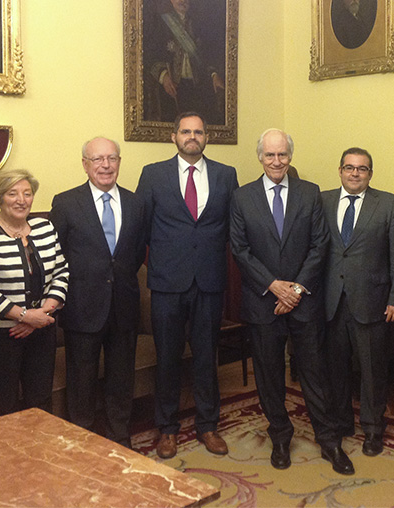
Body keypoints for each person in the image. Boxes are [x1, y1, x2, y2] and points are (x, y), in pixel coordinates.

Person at [230, 128, 354, 475]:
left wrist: (296, 289)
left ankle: (329, 440)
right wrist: (273, 286)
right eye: (270, 155)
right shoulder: (241, 197)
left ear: (290, 156)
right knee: (269, 375)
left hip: (304, 302)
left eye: (282, 154)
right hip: (263, 302)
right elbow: (240, 249)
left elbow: (320, 245)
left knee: (315, 374)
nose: (276, 161)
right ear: (260, 157)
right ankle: (281, 437)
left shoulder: (309, 193)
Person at [135, 111, 238, 459]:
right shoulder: (153, 174)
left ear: (207, 137)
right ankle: (167, 428)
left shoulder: (226, 175)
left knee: (207, 356)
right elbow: (142, 228)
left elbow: (232, 227)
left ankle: (208, 425)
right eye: (185, 131)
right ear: (174, 136)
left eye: (198, 132)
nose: (192, 137)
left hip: (209, 280)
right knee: (167, 357)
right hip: (167, 283)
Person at [50, 137, 146, 447]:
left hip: (124, 305)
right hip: (82, 306)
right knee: (82, 379)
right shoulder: (65, 203)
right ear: (85, 165)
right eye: (97, 159)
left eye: (111, 158)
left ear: (119, 162)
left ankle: (120, 437)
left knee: (122, 378)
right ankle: (84, 443)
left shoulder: (136, 203)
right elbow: (57, 255)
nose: (105, 165)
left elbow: (136, 253)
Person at [321, 147, 394, 457]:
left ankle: (373, 429)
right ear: (340, 170)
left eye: (362, 168)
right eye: (349, 167)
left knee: (372, 371)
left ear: (370, 173)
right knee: (336, 368)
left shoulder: (387, 203)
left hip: (373, 301)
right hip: (332, 301)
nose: (355, 173)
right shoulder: (323, 201)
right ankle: (342, 421)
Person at [0, 169, 69, 419]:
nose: (21, 200)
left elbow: (61, 271)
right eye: (12, 194)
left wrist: (40, 316)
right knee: (2, 407)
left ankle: (41, 445)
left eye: (27, 193)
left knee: (41, 402)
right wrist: (24, 316)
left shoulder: (45, 227)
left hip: (42, 329)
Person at [143, 0, 226, 124]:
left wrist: (214, 75)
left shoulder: (199, 23)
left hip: (197, 87)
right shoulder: (160, 24)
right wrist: (163, 76)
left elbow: (208, 54)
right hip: (173, 87)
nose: (183, 1)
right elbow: (151, 55)